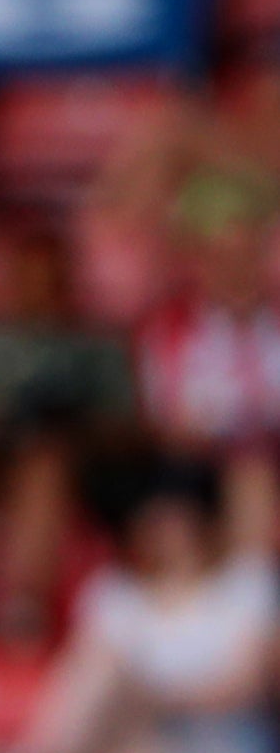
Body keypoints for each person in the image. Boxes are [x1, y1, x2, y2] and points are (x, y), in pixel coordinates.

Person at [0, 218, 138, 643]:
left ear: (65, 282)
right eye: (23, 274)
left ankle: (25, 606)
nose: (32, 287)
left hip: (61, 465)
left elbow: (122, 428)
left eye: (45, 277)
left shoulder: (91, 347)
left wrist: (62, 421)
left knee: (44, 458)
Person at [15, 460, 279, 753]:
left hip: (224, 747)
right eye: (154, 521)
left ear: (204, 522)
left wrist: (152, 697)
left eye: (176, 520)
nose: (166, 533)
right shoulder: (114, 592)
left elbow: (248, 682)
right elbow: (88, 678)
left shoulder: (246, 583)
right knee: (103, 675)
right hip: (130, 738)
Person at [137, 216, 280, 556]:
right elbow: (169, 425)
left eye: (246, 256)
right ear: (201, 266)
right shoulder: (169, 328)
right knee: (250, 474)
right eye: (222, 258)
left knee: (253, 469)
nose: (235, 270)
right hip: (200, 465)